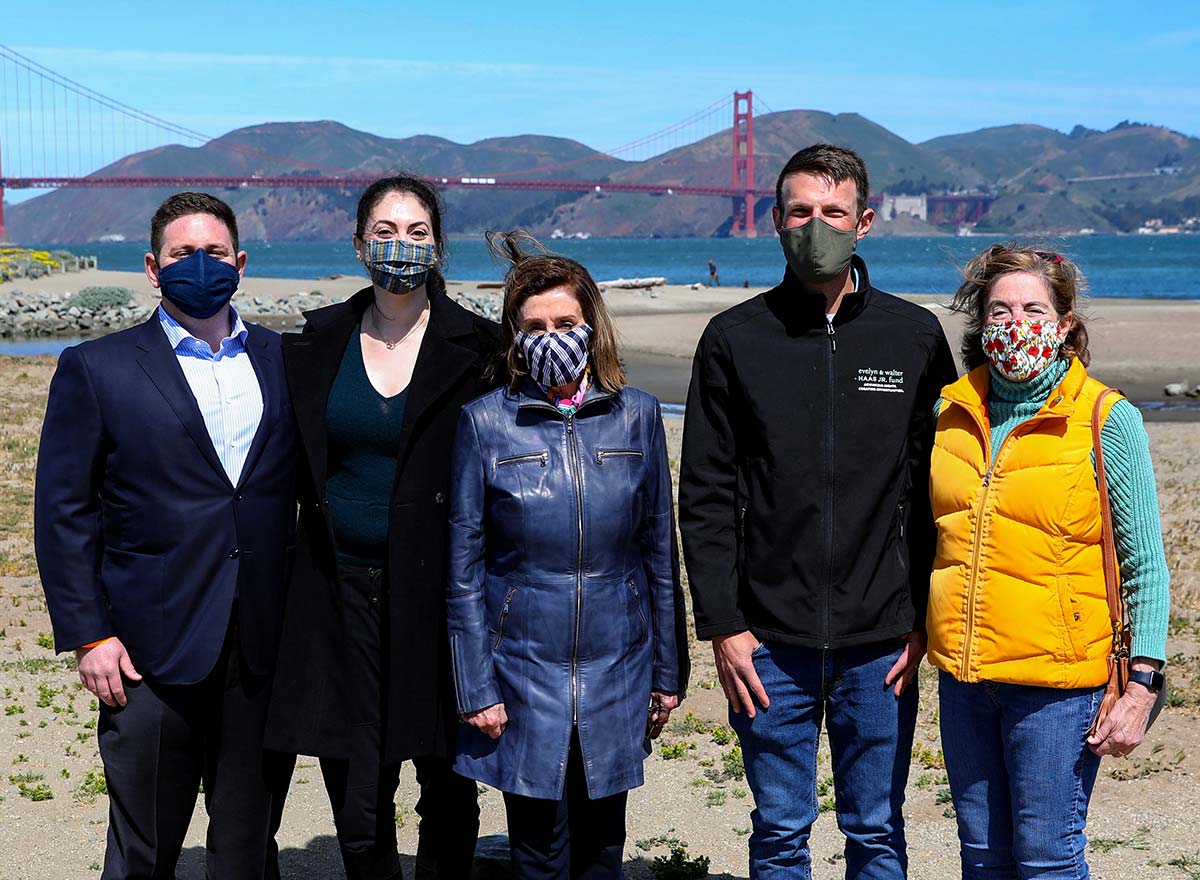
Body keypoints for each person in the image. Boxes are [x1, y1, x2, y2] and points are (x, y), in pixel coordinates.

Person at [679, 144, 958, 880]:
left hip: (882, 639)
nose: (816, 226)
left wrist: (922, 617)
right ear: (775, 220)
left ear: (864, 221)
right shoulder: (734, 340)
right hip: (768, 639)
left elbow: (942, 489)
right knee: (778, 832)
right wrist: (724, 626)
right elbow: (704, 493)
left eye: (833, 212)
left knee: (875, 830)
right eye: (800, 211)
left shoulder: (913, 336)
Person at [34, 191, 296, 879]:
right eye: (183, 254)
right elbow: (64, 513)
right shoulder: (98, 369)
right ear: (153, 267)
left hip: (261, 646)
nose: (200, 265)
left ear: (240, 263)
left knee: (246, 846)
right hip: (145, 647)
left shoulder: (284, 361)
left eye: (214, 253)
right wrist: (89, 634)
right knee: (144, 845)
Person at [264, 176, 497, 879]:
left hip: (443, 589)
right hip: (335, 587)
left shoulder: (482, 349)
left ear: (440, 245)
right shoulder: (314, 343)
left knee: (447, 780)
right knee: (357, 787)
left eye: (418, 232)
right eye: (386, 231)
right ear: (359, 242)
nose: (402, 245)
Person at [446, 231, 689, 878]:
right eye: (535, 326)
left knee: (603, 852)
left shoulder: (637, 417)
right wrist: (476, 686)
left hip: (618, 668)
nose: (552, 336)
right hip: (522, 673)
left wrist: (668, 672)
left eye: (566, 322)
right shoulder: (485, 423)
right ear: (515, 339)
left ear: (592, 326)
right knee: (538, 856)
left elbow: (660, 554)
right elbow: (464, 573)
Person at [927, 243, 1170, 878]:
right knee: (981, 856)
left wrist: (1142, 684)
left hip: (1057, 688)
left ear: (1064, 324)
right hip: (966, 678)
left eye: (1033, 309)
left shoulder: (1104, 418)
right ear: (981, 323)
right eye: (1000, 310)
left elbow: (1143, 562)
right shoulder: (950, 413)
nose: (1016, 323)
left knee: (1047, 857)